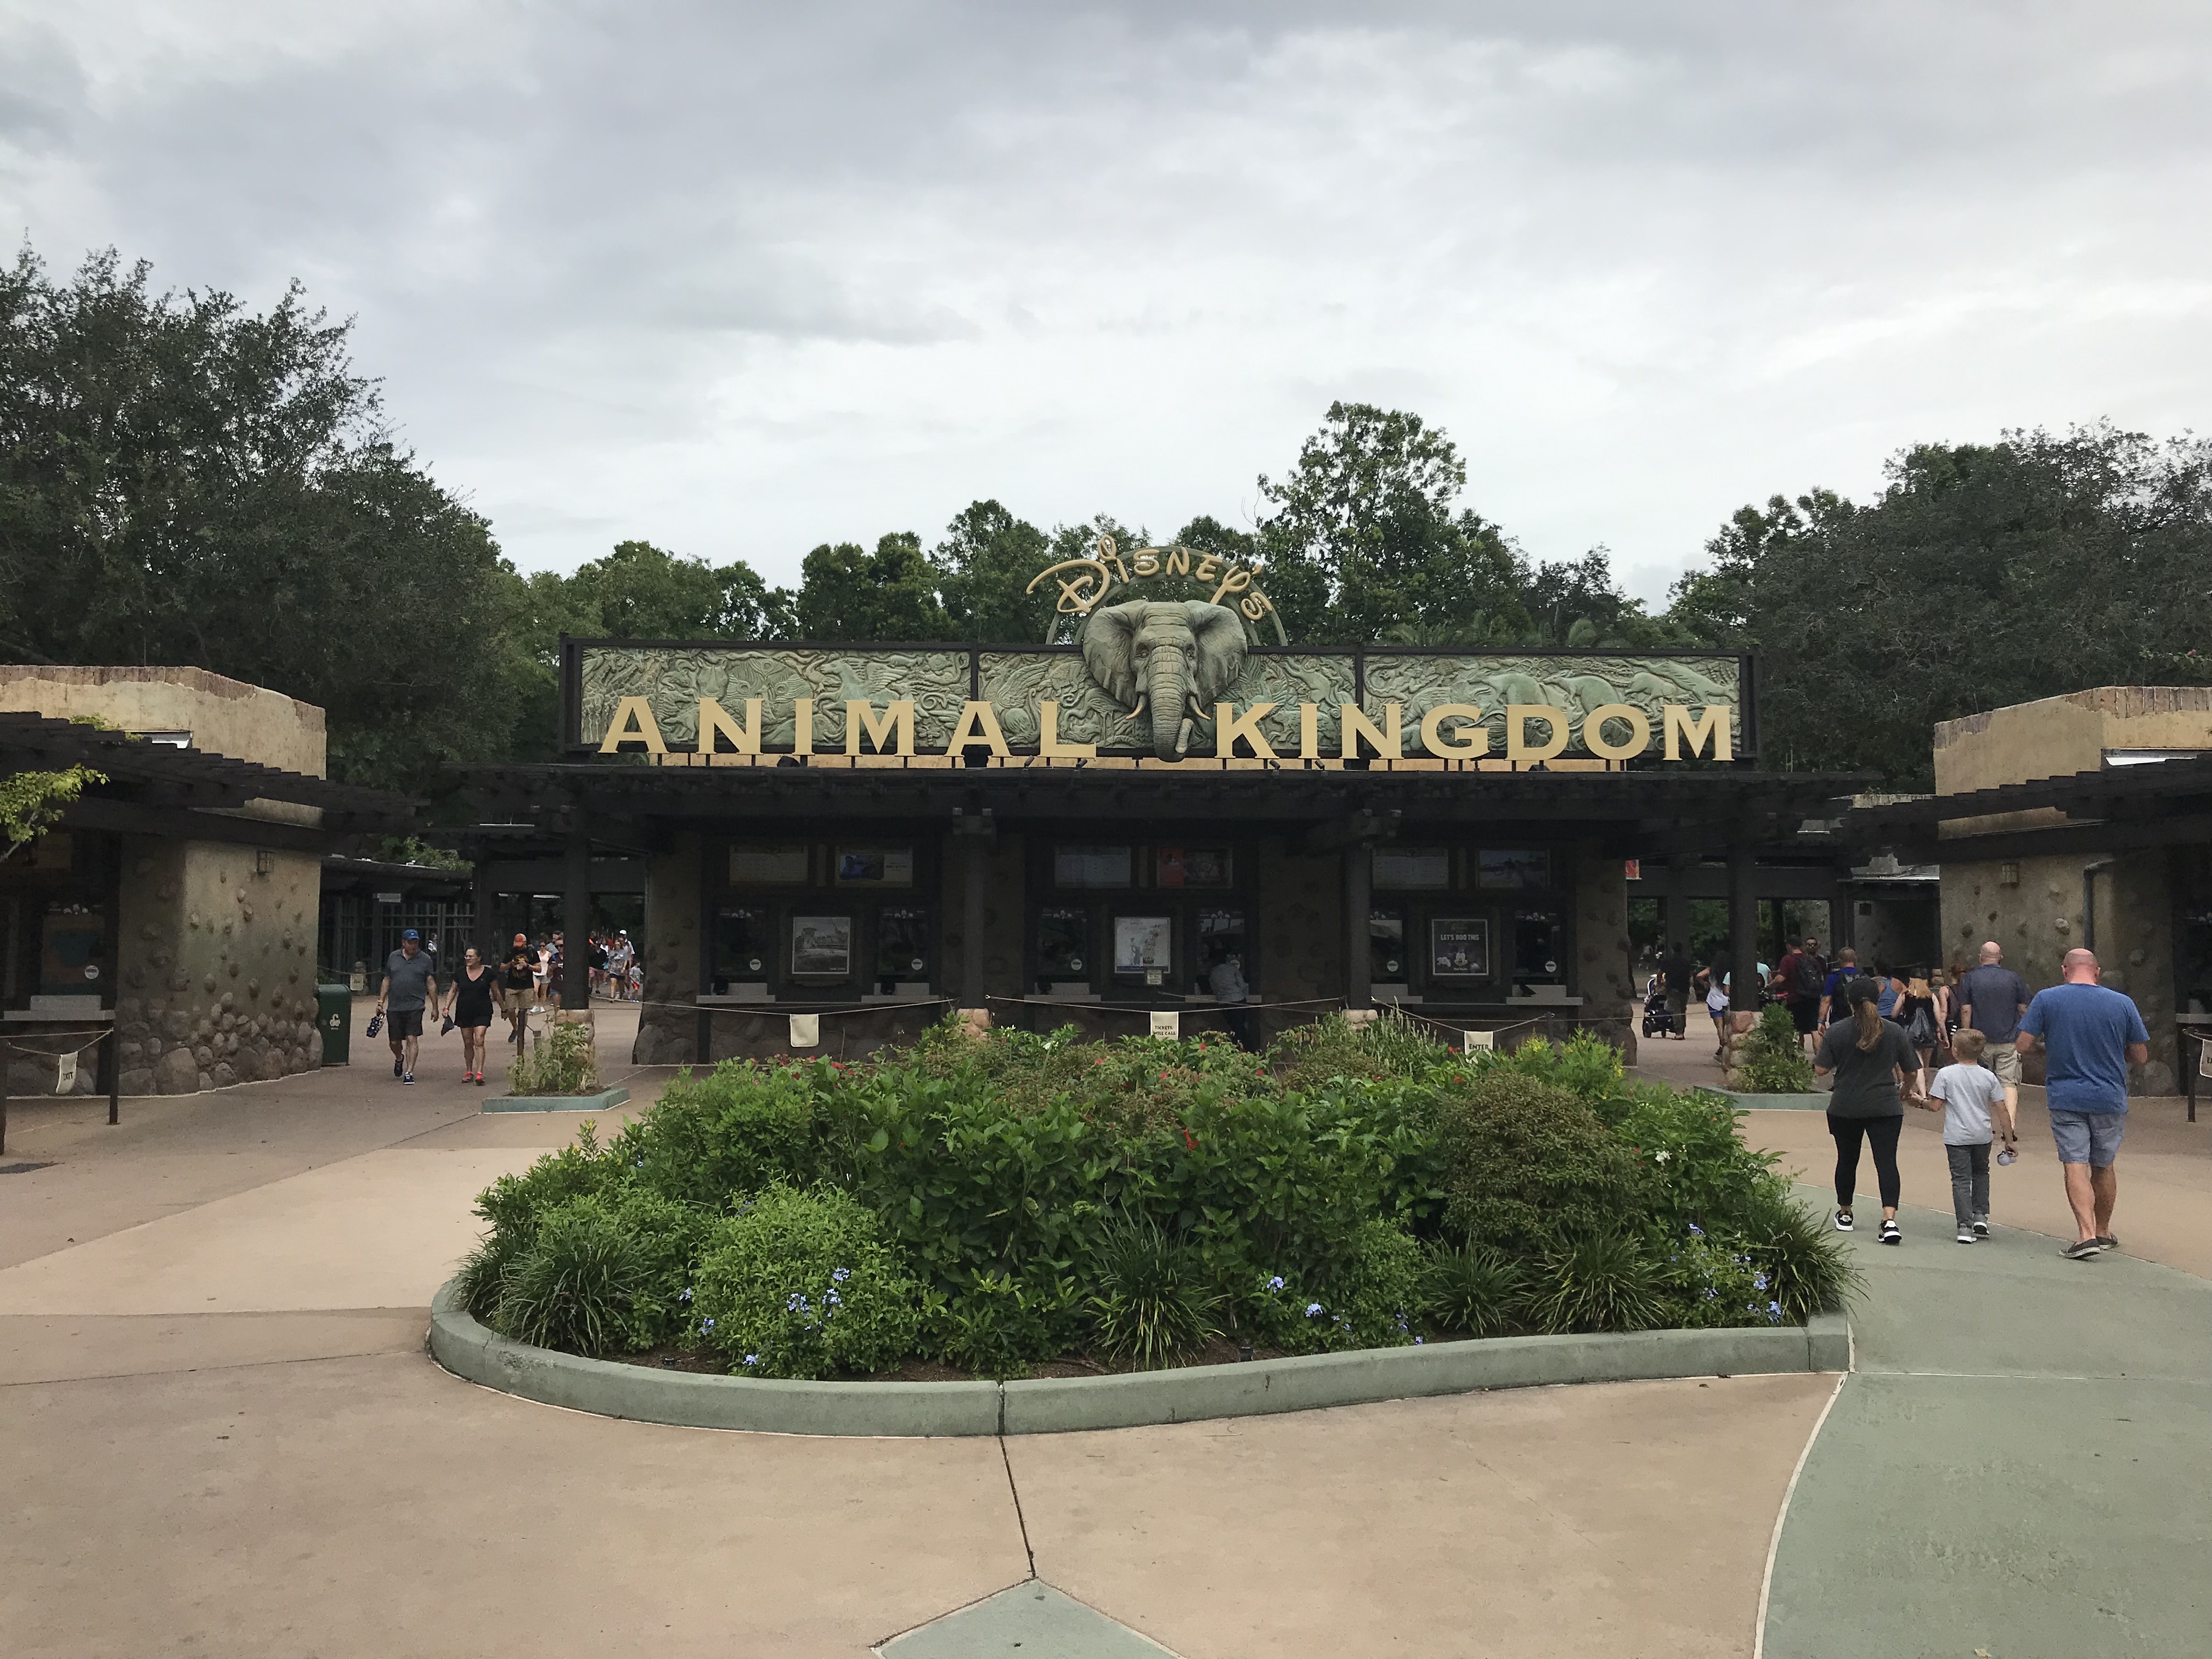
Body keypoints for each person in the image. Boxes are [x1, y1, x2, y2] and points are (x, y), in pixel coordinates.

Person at [2017, 947, 2151, 1260]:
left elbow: (2022, 1045)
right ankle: (2103, 1231)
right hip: (2110, 1095)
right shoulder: (2122, 1003)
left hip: (2066, 1094)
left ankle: (2085, 1234)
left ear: (2065, 970)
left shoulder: (2048, 999)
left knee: (2074, 1161)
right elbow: (2141, 1055)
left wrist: (2048, 1049)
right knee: (2104, 1164)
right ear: (2097, 971)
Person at [1813, 974, 1926, 1244]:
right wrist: (1903, 1091)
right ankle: (1889, 1220)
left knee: (1847, 1159)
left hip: (1846, 1104)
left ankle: (1846, 1211)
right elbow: (1912, 1070)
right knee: (1886, 1161)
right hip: (1885, 1104)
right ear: (1878, 999)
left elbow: (1820, 1069)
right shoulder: (1894, 1031)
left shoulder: (1838, 1031)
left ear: (1849, 1003)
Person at [1930, 1028, 2008, 1244]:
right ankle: (1981, 1216)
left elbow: (1935, 1105)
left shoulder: (1945, 1074)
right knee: (1982, 1173)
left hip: (1957, 1136)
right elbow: (2001, 1108)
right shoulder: (1988, 1076)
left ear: (1955, 1051)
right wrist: (2009, 1138)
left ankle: (1964, 1226)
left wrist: (1919, 1101)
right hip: (1982, 1134)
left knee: (1961, 1180)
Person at [1957, 940, 2029, 1151]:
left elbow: (1966, 1010)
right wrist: (2024, 1032)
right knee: (2009, 1083)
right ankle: (2011, 1126)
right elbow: (2024, 1008)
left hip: (1980, 1040)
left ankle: (1984, 1126)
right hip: (2009, 1039)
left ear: (1981, 958)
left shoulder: (1970, 979)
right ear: (2001, 958)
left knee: (1980, 1082)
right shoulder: (2014, 978)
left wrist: (1966, 1034)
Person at [375, 929, 438, 1085]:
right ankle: (399, 1058)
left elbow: (431, 983)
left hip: (416, 1005)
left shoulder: (425, 959)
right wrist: (381, 1002)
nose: (413, 945)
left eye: (415, 942)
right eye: (410, 942)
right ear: (404, 943)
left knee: (412, 1038)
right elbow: (387, 979)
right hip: (395, 1006)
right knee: (395, 1042)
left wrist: (435, 1007)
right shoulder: (394, 957)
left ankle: (409, 1072)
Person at [444, 945, 496, 1085]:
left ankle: (480, 1072)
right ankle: (469, 1070)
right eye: (466, 956)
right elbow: (453, 990)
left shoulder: (488, 973)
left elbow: (496, 991)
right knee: (468, 1042)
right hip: (464, 1010)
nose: (468, 959)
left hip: (483, 1010)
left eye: (471, 956)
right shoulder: (460, 973)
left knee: (479, 1040)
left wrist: (504, 1008)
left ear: (479, 958)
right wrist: (447, 1007)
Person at [1775, 935, 1826, 1052]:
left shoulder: (1787, 959)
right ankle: (1818, 1059)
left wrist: (1770, 986)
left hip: (1795, 998)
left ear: (1789, 946)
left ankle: (1797, 1055)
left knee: (1794, 1028)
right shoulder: (1811, 960)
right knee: (1814, 1029)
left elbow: (1780, 978)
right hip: (1812, 998)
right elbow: (1820, 977)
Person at [498, 933, 537, 1049]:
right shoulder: (511, 952)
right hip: (512, 985)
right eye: (517, 944)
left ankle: (521, 1031)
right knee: (510, 1010)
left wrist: (527, 965)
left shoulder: (531, 953)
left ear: (525, 943)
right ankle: (515, 1028)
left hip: (526, 985)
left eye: (521, 945)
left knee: (523, 1011)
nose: (519, 947)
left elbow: (539, 968)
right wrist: (511, 964)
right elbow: (501, 968)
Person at [1209, 950, 1253, 1047]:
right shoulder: (1232, 969)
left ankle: (1238, 1048)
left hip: (1224, 1002)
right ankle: (1248, 1048)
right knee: (1240, 1027)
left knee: (1234, 1027)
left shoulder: (1213, 972)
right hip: (1238, 1000)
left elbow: (1213, 988)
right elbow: (1242, 985)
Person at [1816, 947, 1861, 1032]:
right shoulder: (1864, 977)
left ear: (1839, 960)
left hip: (1838, 1021)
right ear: (1855, 959)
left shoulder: (1833, 977)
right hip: (1861, 1021)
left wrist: (1821, 1021)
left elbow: (1826, 1000)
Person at [1658, 941, 1691, 1040]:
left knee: (1675, 1010)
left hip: (1673, 988)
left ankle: (1679, 1032)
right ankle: (1682, 1030)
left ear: (1672, 950)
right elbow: (1690, 974)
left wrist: (1660, 983)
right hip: (1685, 988)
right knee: (1682, 1010)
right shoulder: (1686, 962)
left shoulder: (1667, 961)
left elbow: (1660, 973)